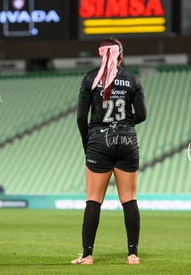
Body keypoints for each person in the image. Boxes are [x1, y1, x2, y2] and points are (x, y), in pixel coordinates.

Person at [73, 37, 147, 265]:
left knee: (94, 200)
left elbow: (80, 118)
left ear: (101, 55)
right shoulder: (133, 79)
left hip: (98, 142)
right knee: (129, 200)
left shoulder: (90, 79)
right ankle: (133, 254)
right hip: (127, 141)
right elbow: (142, 115)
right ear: (121, 55)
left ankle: (87, 255)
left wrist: (89, 142)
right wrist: (124, 123)